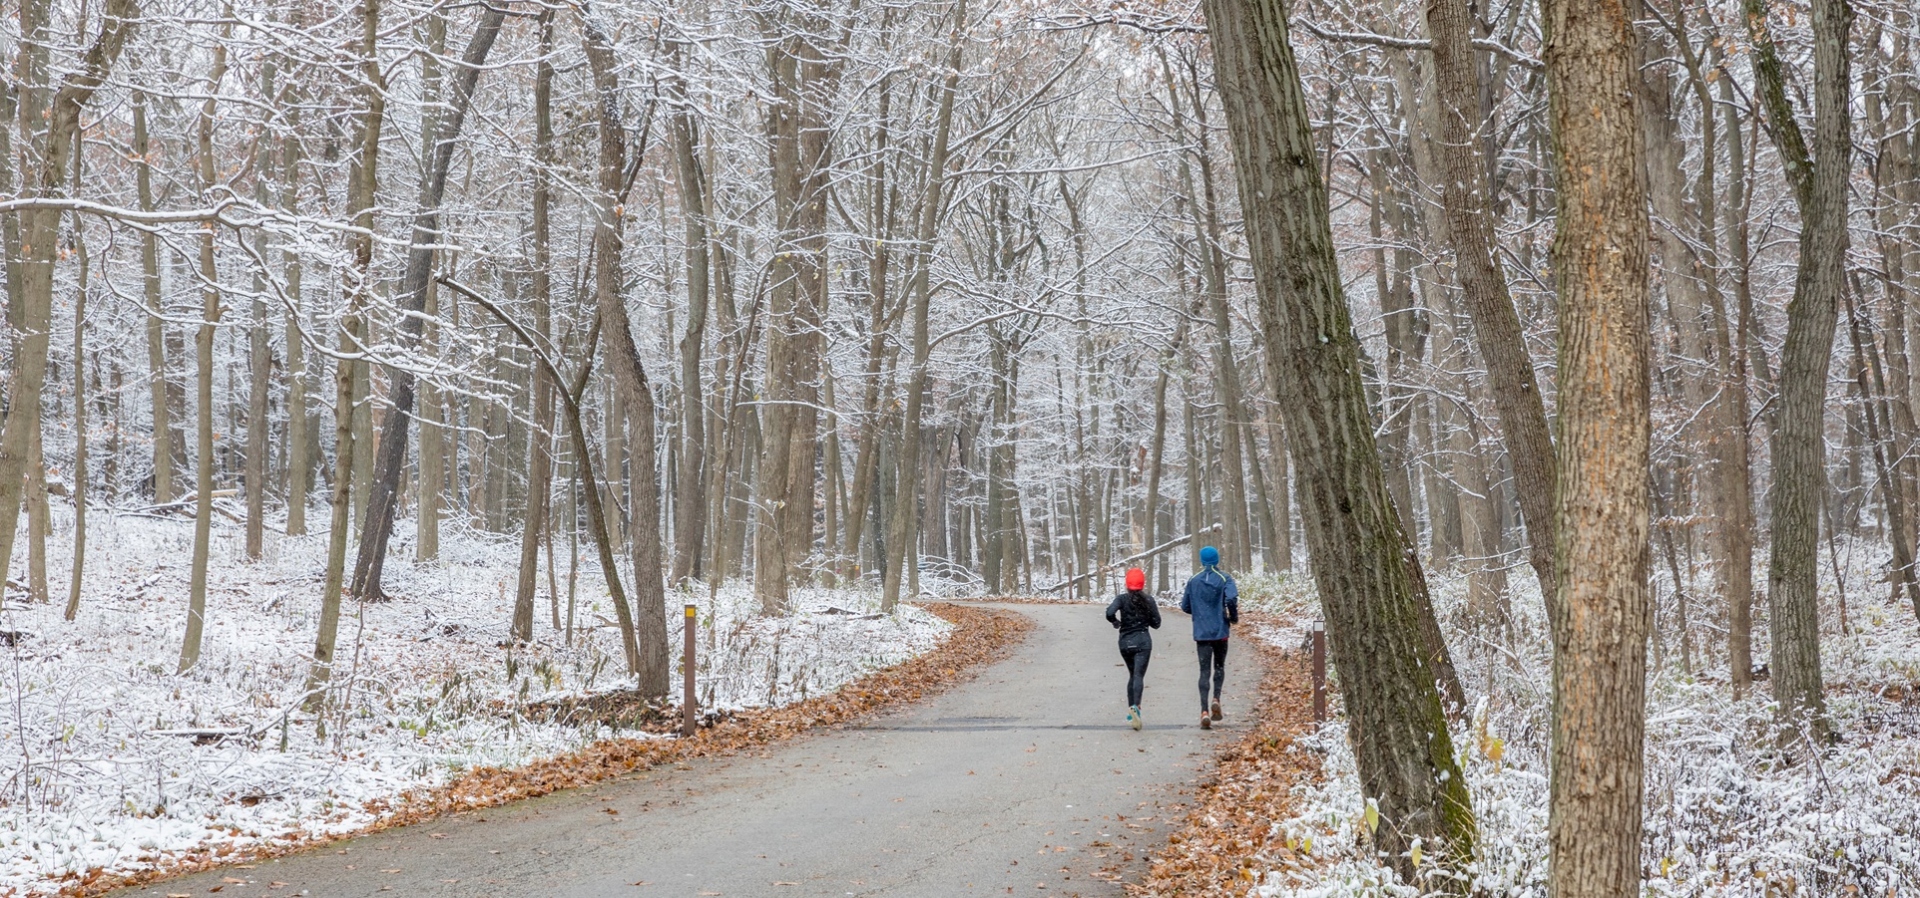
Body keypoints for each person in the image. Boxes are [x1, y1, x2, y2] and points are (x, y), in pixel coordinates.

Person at [1180, 545, 1239, 730]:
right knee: (1219, 666)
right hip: (1220, 631)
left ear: (1201, 560)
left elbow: (1185, 606)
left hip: (1202, 633)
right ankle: (1216, 698)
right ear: (1217, 559)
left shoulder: (1193, 580)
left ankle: (1204, 711)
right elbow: (1231, 598)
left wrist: (1198, 611)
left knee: (1204, 671)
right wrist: (1233, 616)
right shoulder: (1225, 578)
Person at [1105, 567, 1161, 730]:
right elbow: (1157, 623)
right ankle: (1136, 706)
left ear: (1127, 584)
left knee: (1132, 674)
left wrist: (1116, 622)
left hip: (1125, 643)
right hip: (1143, 642)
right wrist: (1146, 619)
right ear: (1142, 584)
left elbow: (1109, 612)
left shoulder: (1121, 599)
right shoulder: (1148, 600)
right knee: (1138, 675)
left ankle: (1132, 711)